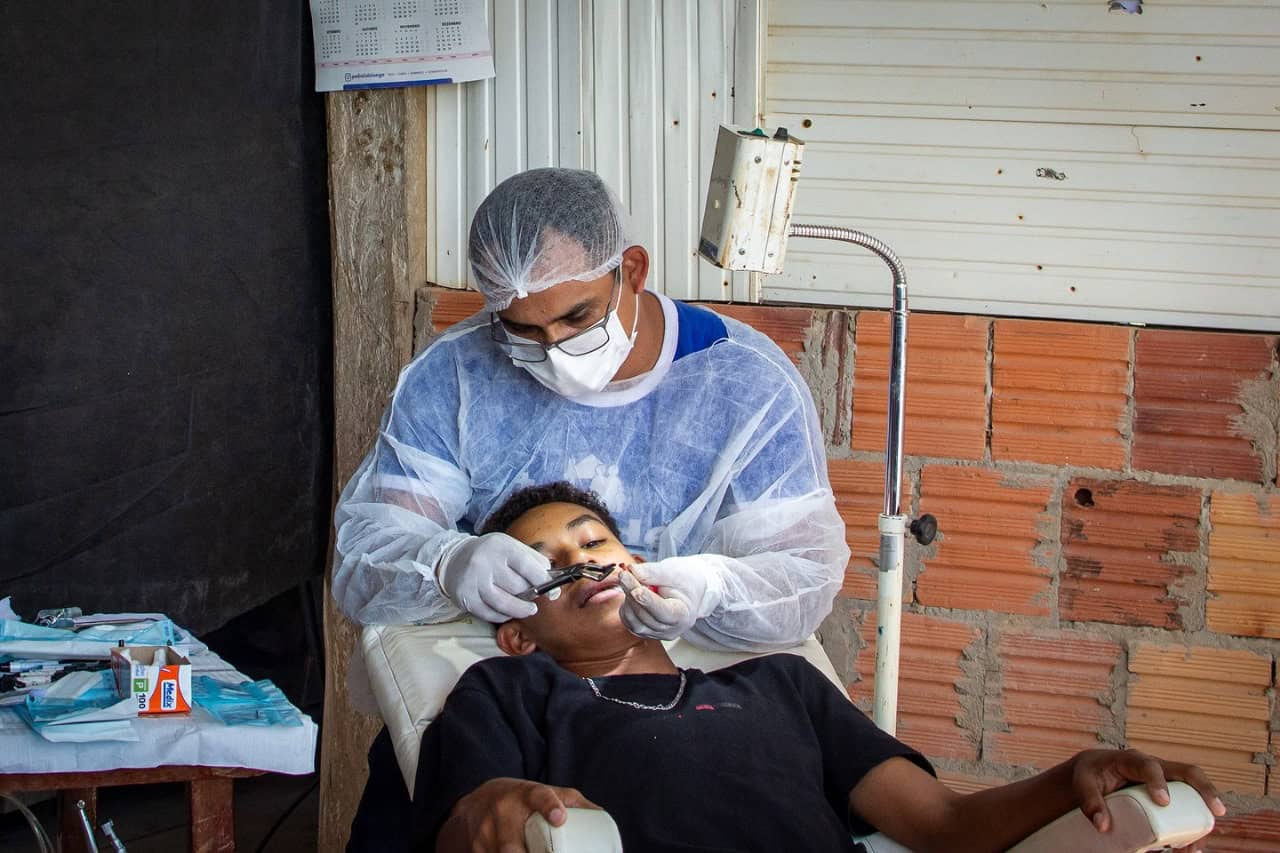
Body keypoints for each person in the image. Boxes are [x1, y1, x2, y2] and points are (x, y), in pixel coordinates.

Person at [412, 483, 1226, 853]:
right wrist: (498, 806)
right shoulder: (511, 689)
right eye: (544, 564)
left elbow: (946, 828)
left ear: (641, 566)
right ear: (515, 632)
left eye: (594, 540)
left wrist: (1074, 776)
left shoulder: (780, 683)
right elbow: (468, 828)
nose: (580, 561)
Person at [331, 167, 849, 651]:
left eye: (578, 318)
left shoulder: (746, 382)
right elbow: (368, 559)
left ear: (632, 270)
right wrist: (446, 563)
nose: (554, 349)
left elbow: (802, 578)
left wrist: (712, 587)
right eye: (523, 330)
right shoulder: (455, 376)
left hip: (689, 663)